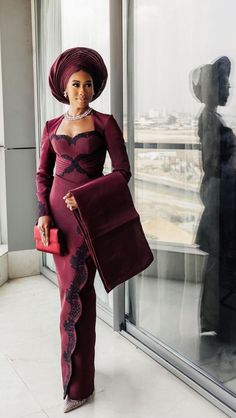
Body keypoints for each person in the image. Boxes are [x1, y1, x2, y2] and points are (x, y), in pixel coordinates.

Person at [35, 47, 131, 413]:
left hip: (88, 220)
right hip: (57, 220)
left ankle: (79, 386)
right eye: (75, 84)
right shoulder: (51, 127)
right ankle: (76, 375)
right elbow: (43, 174)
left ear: (95, 88)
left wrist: (87, 196)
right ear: (64, 87)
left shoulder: (105, 124)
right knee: (67, 296)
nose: (82, 91)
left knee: (78, 297)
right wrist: (43, 213)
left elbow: (122, 172)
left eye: (88, 84)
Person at [192, 56, 236, 343]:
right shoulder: (209, 119)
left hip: (222, 199)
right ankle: (221, 324)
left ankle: (219, 322)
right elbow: (212, 164)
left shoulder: (212, 117)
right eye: (223, 82)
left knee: (221, 265)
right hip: (221, 201)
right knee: (222, 264)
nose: (229, 87)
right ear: (212, 88)